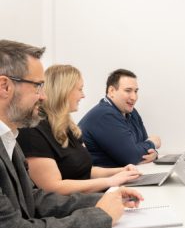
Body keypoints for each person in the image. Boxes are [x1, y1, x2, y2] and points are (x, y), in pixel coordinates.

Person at [0, 40, 142, 228]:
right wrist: (100, 216)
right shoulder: (21, 135)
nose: (43, 95)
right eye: (37, 86)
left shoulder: (8, 138)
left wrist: (102, 200)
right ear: (5, 85)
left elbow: (33, 199)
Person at [17, 65, 142, 195]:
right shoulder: (32, 131)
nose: (83, 95)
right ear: (64, 91)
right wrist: (110, 181)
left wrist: (120, 171)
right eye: (80, 89)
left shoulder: (67, 127)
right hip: (71, 207)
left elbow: (86, 171)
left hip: (87, 197)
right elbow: (52, 187)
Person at [79, 69, 161, 167]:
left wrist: (154, 153)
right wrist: (153, 142)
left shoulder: (131, 112)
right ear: (111, 91)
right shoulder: (105, 115)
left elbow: (144, 146)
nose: (134, 97)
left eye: (135, 91)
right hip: (103, 179)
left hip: (124, 174)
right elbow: (131, 157)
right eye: (128, 91)